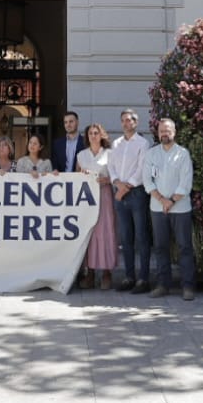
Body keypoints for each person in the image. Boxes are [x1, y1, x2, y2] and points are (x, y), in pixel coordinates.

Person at [143, 117, 196, 301]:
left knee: (185, 248)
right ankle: (163, 285)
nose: (164, 133)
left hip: (180, 209)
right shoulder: (151, 154)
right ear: (158, 133)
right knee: (160, 247)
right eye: (161, 130)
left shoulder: (183, 154)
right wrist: (161, 200)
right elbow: (147, 181)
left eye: (168, 130)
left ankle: (188, 286)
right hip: (157, 209)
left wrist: (170, 201)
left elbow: (185, 183)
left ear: (174, 132)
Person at [108, 108, 152, 294]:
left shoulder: (143, 143)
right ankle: (129, 277)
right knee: (125, 238)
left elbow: (142, 169)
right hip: (120, 194)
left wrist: (126, 187)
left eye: (130, 120)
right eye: (124, 120)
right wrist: (117, 183)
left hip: (137, 193)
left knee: (141, 237)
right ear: (121, 123)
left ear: (136, 122)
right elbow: (111, 167)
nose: (127, 123)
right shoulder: (116, 144)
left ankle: (143, 279)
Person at [77, 123, 118, 289]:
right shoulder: (81, 155)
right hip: (87, 198)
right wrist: (82, 175)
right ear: (87, 137)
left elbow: (116, 175)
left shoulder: (110, 154)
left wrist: (107, 180)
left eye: (96, 133)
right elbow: (76, 177)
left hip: (105, 195)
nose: (93, 136)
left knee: (107, 232)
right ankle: (91, 273)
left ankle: (107, 273)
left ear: (101, 135)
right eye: (90, 133)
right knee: (90, 233)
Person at [50, 111, 84, 184]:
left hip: (80, 182)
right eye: (65, 122)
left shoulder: (86, 142)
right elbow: (54, 164)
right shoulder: (57, 144)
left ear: (77, 122)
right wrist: (55, 170)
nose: (68, 125)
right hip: (62, 182)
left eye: (71, 121)